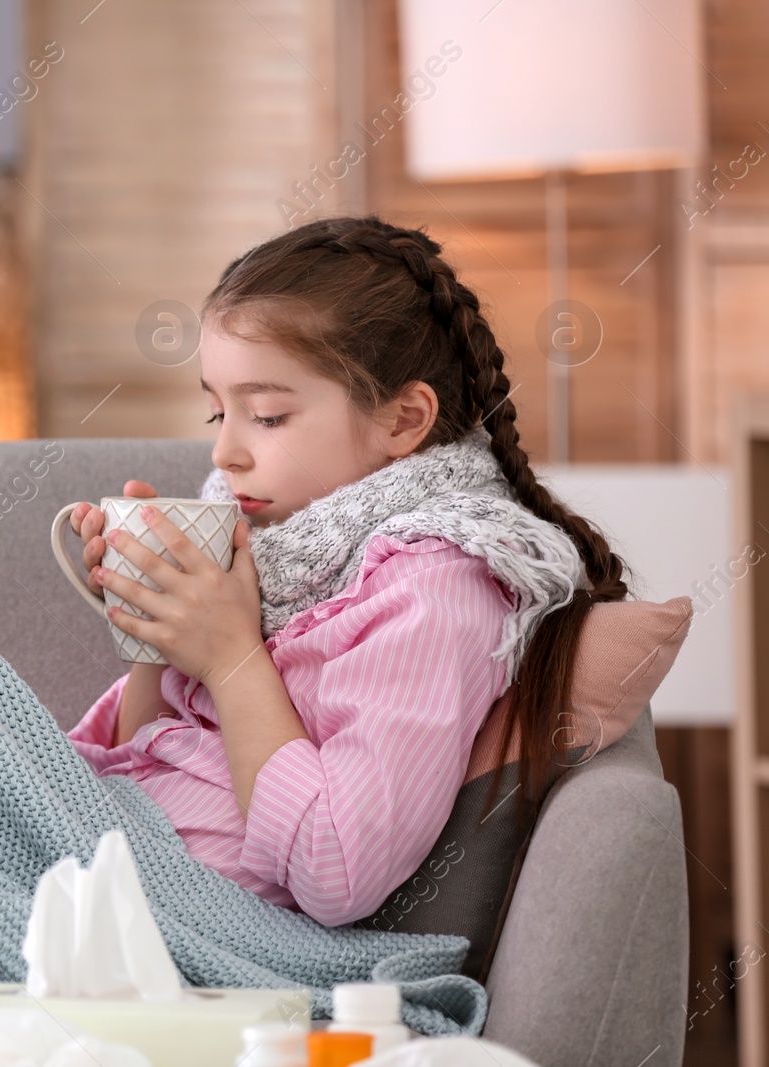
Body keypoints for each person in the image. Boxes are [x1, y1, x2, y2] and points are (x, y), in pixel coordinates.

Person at [64, 215, 628, 927]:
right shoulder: (265, 548)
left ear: (402, 420)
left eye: (267, 415)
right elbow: (131, 760)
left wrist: (232, 658)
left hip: (174, 915)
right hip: (89, 860)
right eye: (217, 414)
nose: (225, 454)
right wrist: (152, 624)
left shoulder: (432, 590)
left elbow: (338, 869)